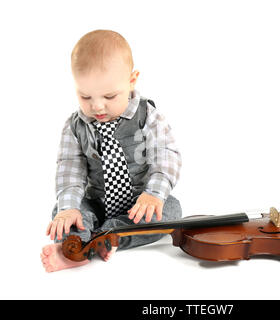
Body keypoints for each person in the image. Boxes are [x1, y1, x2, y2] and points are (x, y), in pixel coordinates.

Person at [40, 29, 182, 272]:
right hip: (97, 202)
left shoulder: (149, 116)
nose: (96, 106)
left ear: (131, 80)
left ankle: (107, 239)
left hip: (139, 204)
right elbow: (69, 171)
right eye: (85, 96)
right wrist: (69, 208)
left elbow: (166, 156)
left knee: (171, 211)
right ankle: (74, 248)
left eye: (109, 95)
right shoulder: (75, 126)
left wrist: (153, 194)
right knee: (64, 212)